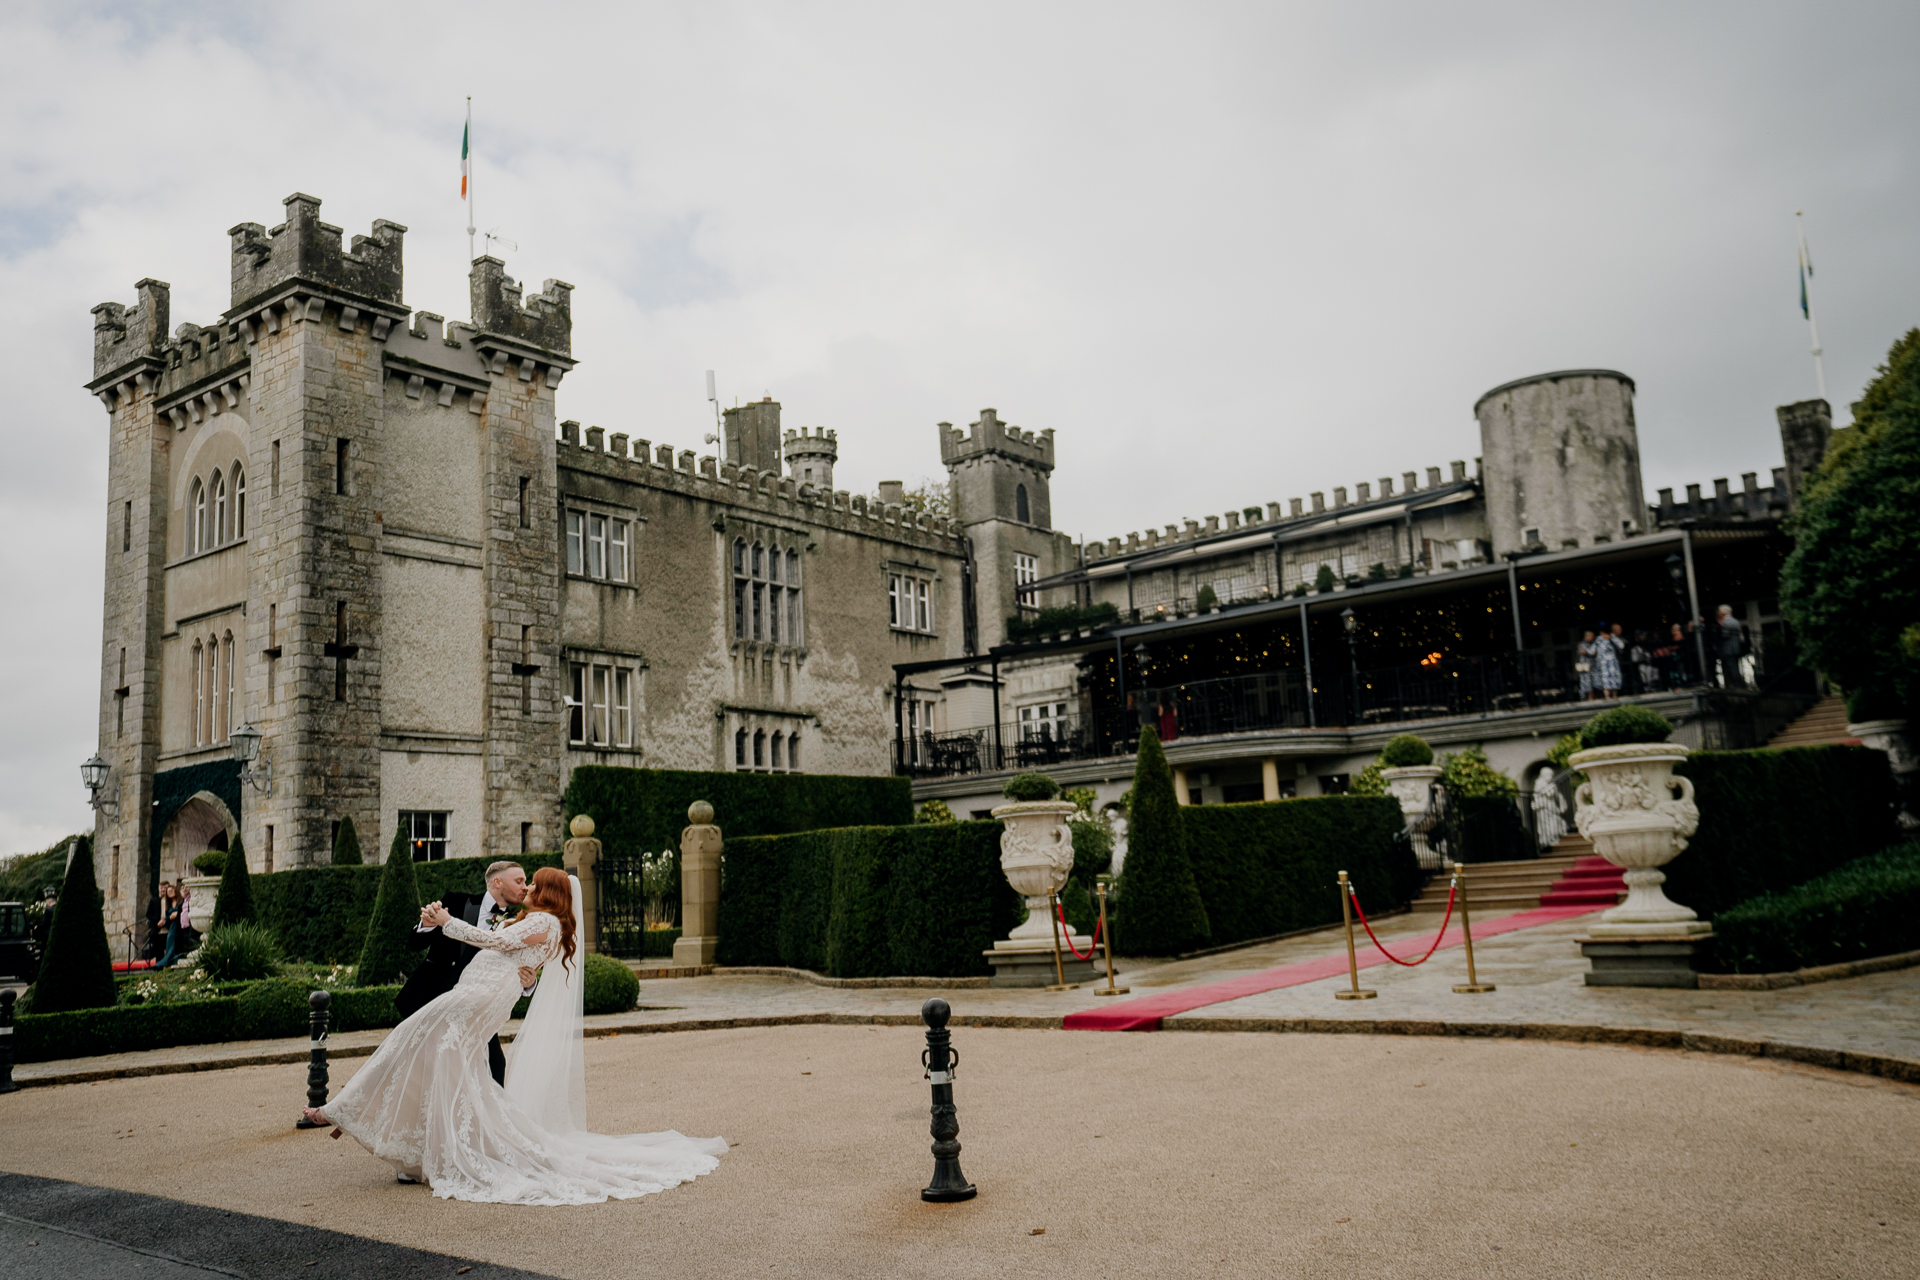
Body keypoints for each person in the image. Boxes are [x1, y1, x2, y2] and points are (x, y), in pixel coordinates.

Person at [303, 867, 727, 1205]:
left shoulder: (542, 921)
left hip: (478, 996)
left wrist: (447, 921)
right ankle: (407, 1142)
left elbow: (493, 940)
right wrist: (445, 927)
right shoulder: (546, 924)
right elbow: (523, 967)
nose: (528, 888)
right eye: (524, 881)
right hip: (482, 993)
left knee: (411, 1037)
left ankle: (346, 1111)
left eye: (535, 883)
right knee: (451, 1063)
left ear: (549, 893)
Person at [396, 860, 537, 1088]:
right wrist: (427, 925)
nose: (525, 886)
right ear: (497, 882)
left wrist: (530, 983)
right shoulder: (455, 901)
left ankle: (491, 1121)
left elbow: (521, 963)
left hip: (476, 1005)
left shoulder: (517, 922)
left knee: (495, 1065)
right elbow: (414, 943)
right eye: (519, 880)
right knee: (415, 1068)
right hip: (432, 997)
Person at [1712, 605, 1747, 689]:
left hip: (1727, 649)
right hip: (1736, 647)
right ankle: (1738, 683)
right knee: (1736, 666)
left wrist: (1720, 628)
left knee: (1731, 668)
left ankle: (1736, 684)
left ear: (1722, 613)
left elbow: (1724, 635)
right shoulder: (1735, 621)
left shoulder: (1725, 622)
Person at [156, 881, 185, 969]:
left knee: (177, 942)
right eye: (168, 892)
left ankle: (173, 961)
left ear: (176, 891)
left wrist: (177, 913)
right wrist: (166, 919)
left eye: (172, 890)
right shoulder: (168, 905)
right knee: (170, 941)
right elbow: (168, 916)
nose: (170, 892)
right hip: (172, 926)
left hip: (180, 925)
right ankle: (169, 961)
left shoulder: (181, 901)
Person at [1592, 620, 1623, 700]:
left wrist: (1611, 638)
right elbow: (1592, 651)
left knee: (1614, 677)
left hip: (1612, 662)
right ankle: (1607, 696)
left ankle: (1615, 695)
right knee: (1605, 678)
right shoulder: (1598, 640)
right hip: (1603, 663)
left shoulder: (1612, 637)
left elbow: (1621, 646)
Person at [1575, 630, 1598, 700]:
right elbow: (1582, 652)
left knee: (1596, 681)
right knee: (1587, 683)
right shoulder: (1581, 644)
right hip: (1585, 667)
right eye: (1592, 636)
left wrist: (1588, 652)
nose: (1593, 638)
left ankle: (1596, 696)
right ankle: (1588, 697)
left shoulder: (1594, 643)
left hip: (1594, 666)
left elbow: (1595, 652)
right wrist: (1589, 652)